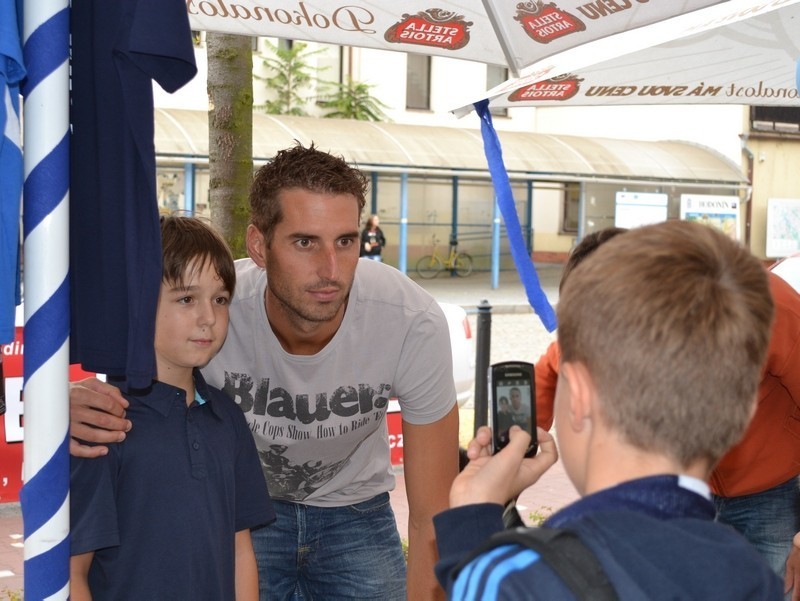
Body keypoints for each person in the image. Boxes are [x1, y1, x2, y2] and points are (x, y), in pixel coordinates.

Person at [69, 143, 460, 600]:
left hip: (355, 508)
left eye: (345, 241)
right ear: (258, 246)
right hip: (244, 511)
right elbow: (136, 352)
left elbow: (432, 514)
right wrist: (67, 402)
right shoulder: (215, 306)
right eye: (305, 242)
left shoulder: (410, 321)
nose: (330, 269)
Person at [433, 220, 782, 599]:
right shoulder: (755, 577)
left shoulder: (517, 579)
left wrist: (473, 519)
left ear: (579, 395)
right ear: (743, 411)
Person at [537, 228, 800, 597]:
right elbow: (552, 368)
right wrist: (520, 441)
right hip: (678, 491)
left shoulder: (769, 306)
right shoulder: (612, 326)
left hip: (769, 495)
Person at [69, 216, 275, 600]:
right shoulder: (102, 423)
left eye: (220, 299)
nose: (208, 317)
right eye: (186, 299)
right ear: (137, 304)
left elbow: (240, 549)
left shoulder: (228, 418)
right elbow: (73, 571)